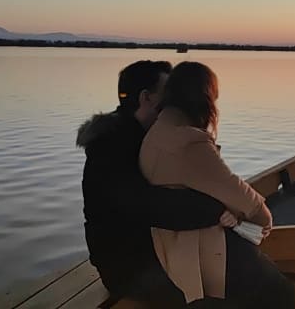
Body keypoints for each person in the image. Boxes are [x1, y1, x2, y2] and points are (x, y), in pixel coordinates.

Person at [77, 60, 241, 307]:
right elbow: (148, 205)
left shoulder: (147, 137)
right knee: (227, 290)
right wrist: (216, 207)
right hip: (127, 266)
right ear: (147, 98)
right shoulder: (112, 146)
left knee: (236, 266)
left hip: (157, 249)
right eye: (169, 96)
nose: (176, 103)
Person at [139, 61, 295, 308]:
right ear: (204, 98)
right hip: (195, 252)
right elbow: (243, 198)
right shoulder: (189, 142)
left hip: (169, 243)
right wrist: (265, 221)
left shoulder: (157, 131)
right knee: (280, 292)